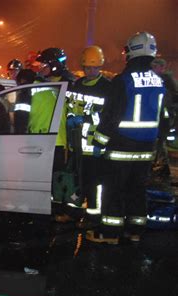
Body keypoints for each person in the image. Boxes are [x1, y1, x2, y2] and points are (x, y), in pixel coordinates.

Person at [87, 32, 166, 244]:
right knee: (137, 190)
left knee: (114, 190)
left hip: (121, 146)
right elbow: (166, 116)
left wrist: (98, 142)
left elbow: (111, 116)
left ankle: (110, 234)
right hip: (147, 148)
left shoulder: (122, 81)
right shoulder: (159, 81)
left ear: (131, 52)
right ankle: (135, 231)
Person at [66, 45, 112, 228]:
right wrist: (71, 118)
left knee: (95, 183)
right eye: (87, 67)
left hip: (95, 146)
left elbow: (108, 117)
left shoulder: (107, 88)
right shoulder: (77, 85)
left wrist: (85, 118)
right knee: (76, 180)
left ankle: (94, 216)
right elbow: (69, 108)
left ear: (100, 67)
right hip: (77, 144)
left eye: (94, 68)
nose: (90, 71)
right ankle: (73, 213)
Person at [35, 48, 77, 222]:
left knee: (59, 178)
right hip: (37, 138)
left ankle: (61, 209)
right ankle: (44, 208)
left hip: (59, 140)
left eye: (43, 64)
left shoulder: (70, 84)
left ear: (54, 65)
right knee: (39, 177)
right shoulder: (38, 82)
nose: (40, 68)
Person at [151, 57, 178, 177]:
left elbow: (172, 100)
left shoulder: (167, 81)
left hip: (164, 116)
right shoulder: (160, 80)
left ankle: (162, 166)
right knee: (159, 141)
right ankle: (161, 166)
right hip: (160, 115)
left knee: (160, 141)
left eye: (156, 67)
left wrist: (170, 115)